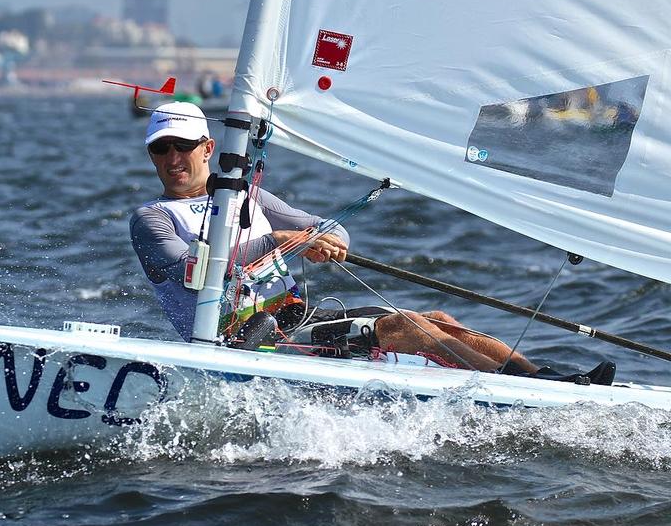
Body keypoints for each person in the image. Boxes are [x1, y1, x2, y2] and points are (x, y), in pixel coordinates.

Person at [129, 102, 616, 384]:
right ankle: (518, 387)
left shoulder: (251, 196)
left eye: (183, 146)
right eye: (161, 149)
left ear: (208, 149)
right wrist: (278, 243)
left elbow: (332, 228)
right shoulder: (151, 218)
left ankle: (535, 377)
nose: (173, 158)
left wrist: (325, 241)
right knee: (404, 327)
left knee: (439, 320)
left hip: (293, 321)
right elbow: (189, 267)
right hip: (242, 342)